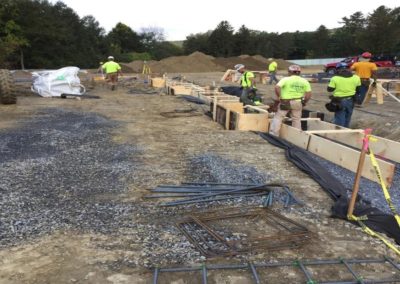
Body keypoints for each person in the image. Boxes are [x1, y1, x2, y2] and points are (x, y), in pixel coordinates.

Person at [269, 65, 312, 136]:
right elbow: (309, 94)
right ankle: (297, 136)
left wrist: (280, 97)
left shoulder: (286, 79)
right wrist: (304, 102)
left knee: (278, 118)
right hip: (298, 102)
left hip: (285, 101)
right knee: (296, 119)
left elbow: (277, 87)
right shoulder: (304, 81)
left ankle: (274, 134)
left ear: (290, 72)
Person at [327, 63, 361, 128]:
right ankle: (346, 131)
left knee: (339, 117)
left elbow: (330, 89)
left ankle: (339, 134)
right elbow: (358, 90)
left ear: (338, 69)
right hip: (351, 100)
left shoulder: (335, 78)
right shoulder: (356, 77)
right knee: (348, 116)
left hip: (338, 101)